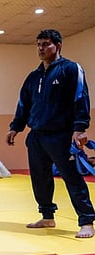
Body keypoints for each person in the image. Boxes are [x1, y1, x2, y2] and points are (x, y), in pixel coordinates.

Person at [6, 29, 95, 238]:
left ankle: (86, 221)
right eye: (38, 44)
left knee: (72, 177)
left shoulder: (71, 69)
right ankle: (47, 216)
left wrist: (80, 128)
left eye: (46, 44)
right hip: (36, 135)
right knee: (40, 177)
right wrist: (15, 127)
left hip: (61, 135)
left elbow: (80, 97)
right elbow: (23, 104)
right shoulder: (33, 76)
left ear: (58, 45)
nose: (41, 48)